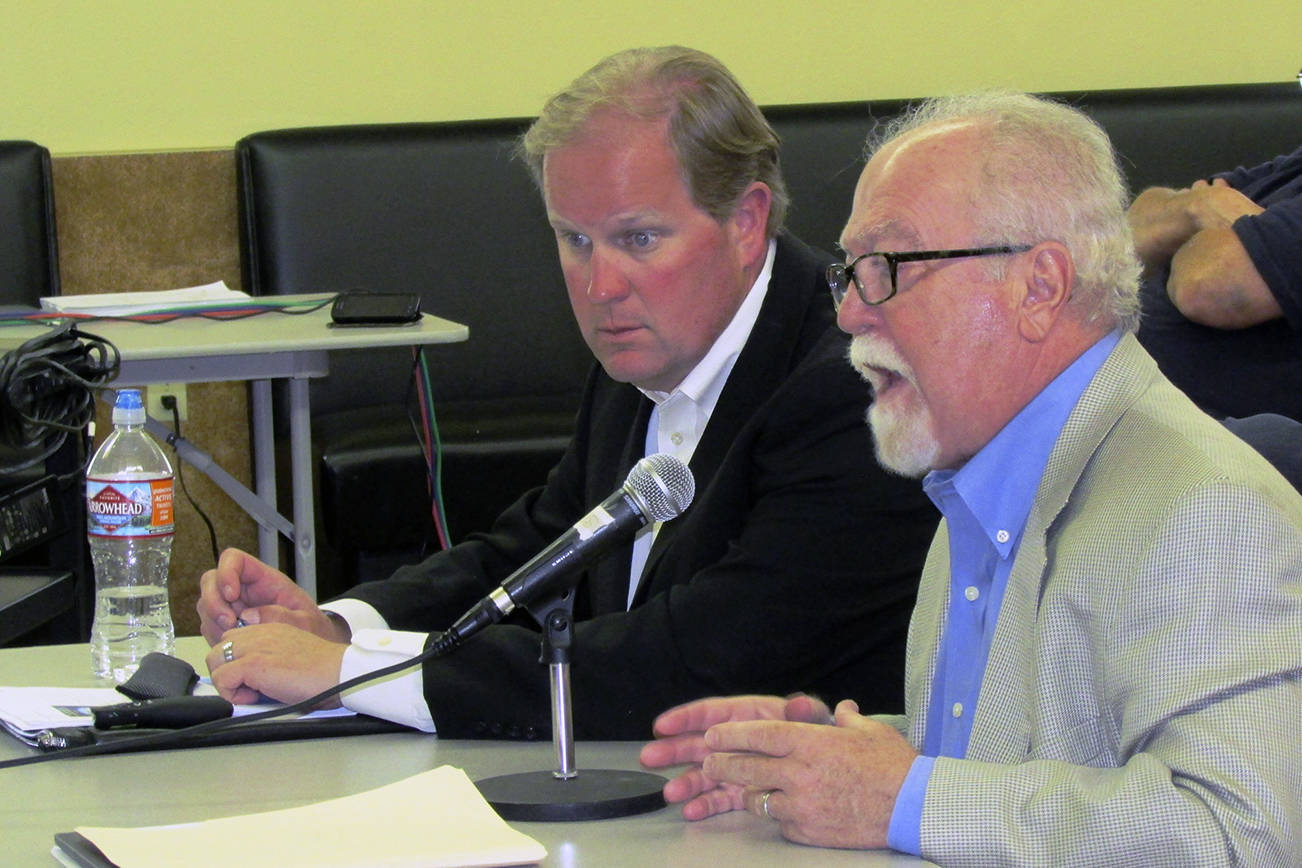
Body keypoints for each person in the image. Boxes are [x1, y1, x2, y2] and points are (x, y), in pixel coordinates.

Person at [195, 46, 938, 740]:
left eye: (639, 239)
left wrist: (352, 673)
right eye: (574, 239)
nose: (599, 286)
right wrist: (341, 626)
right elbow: (538, 551)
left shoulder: (852, 390)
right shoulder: (648, 349)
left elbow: (695, 663)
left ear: (745, 222)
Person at [640, 91, 1302, 865]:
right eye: (849, 273)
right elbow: (1038, 760)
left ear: (1039, 287)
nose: (851, 314)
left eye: (888, 267)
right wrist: (833, 756)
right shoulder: (977, 481)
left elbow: (1247, 832)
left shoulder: (1209, 509)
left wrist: (904, 797)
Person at [1129, 145, 1302, 487]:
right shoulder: (1293, 169)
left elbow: (1205, 286)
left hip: (1216, 432)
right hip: (1140, 405)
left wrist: (1194, 226)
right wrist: (1199, 206)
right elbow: (1128, 232)